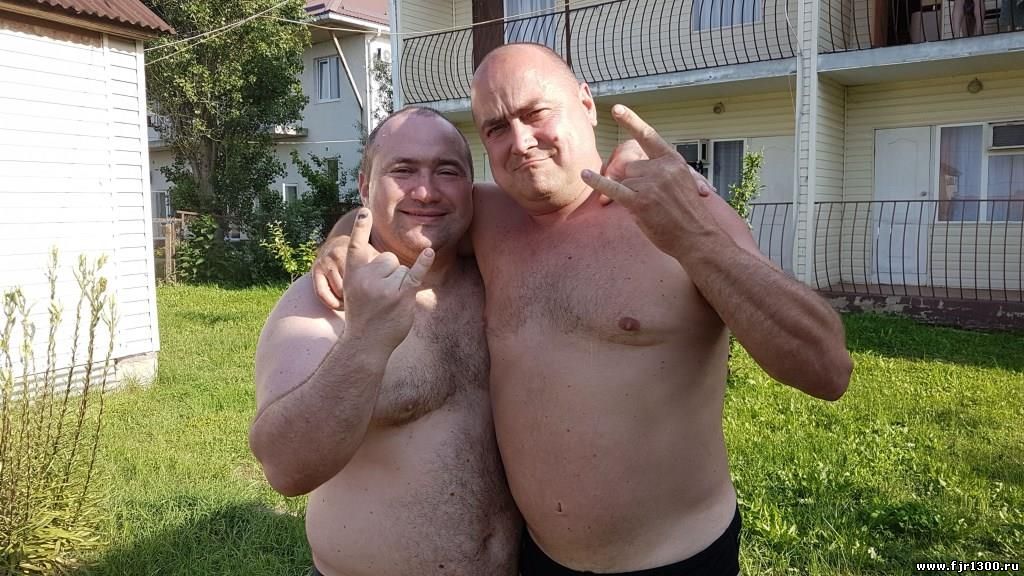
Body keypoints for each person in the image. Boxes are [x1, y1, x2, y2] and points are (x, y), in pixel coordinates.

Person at [314, 43, 853, 575]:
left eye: (535, 113)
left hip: (674, 562)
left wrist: (693, 239)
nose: (521, 141)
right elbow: (407, 208)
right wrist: (341, 238)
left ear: (586, 104)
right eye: (496, 127)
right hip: (539, 560)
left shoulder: (676, 209)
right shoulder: (489, 218)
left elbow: (827, 369)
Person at [249, 107, 521, 576]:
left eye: (447, 171)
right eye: (403, 170)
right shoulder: (326, 302)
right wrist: (365, 340)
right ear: (365, 187)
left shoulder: (495, 277)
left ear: (470, 187)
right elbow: (284, 468)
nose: (426, 191)